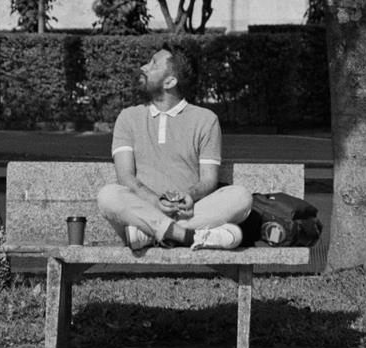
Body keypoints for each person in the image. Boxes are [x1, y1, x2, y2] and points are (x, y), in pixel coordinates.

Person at [96, 45, 251, 251]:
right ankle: (187, 236)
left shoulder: (206, 120)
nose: (143, 67)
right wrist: (154, 201)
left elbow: (208, 180)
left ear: (170, 82)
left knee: (241, 197)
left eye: (153, 64)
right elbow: (125, 177)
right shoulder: (128, 117)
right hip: (144, 206)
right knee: (108, 196)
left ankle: (150, 233)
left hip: (186, 212)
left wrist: (190, 196)